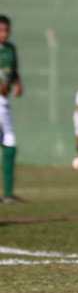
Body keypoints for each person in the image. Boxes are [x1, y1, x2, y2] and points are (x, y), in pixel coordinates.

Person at [0, 15, 24, 203]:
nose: (4, 34)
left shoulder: (10, 49)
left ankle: (8, 194)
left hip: (4, 103)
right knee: (8, 141)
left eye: (6, 30)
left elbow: (13, 71)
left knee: (10, 144)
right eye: (1, 30)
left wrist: (17, 83)